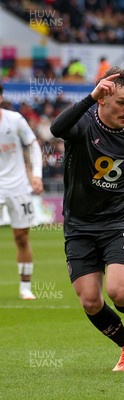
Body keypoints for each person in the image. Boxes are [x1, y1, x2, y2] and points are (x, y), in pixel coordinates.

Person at [49, 68, 124, 372]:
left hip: (119, 221)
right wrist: (88, 98)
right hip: (79, 226)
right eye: (122, 102)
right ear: (103, 99)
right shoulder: (82, 125)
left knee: (118, 292)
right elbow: (55, 129)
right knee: (90, 300)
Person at [0, 83, 44, 300]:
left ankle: (25, 287)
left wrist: (36, 175)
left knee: (21, 237)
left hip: (18, 186)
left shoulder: (15, 120)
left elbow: (33, 145)